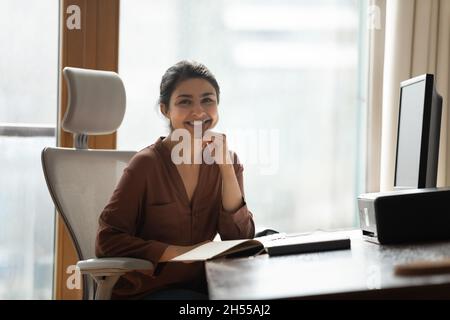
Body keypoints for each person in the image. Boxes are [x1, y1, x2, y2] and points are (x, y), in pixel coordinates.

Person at [95, 60, 255, 300]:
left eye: (207, 100)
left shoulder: (227, 161)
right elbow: (107, 241)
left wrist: (225, 167)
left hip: (205, 287)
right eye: (185, 102)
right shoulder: (146, 164)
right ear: (165, 110)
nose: (199, 111)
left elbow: (240, 240)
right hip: (149, 291)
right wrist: (180, 253)